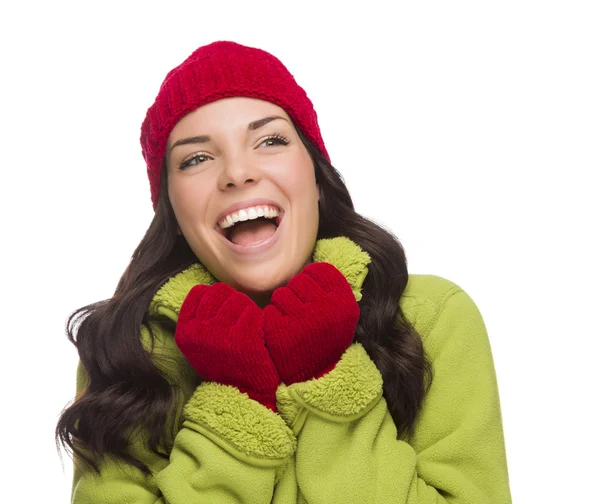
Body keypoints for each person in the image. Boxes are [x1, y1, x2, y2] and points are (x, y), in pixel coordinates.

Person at [56, 40, 512, 503]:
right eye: (196, 158)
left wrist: (328, 379)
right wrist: (237, 403)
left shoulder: (430, 316)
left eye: (270, 140)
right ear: (172, 210)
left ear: (315, 176)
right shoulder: (130, 352)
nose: (237, 172)